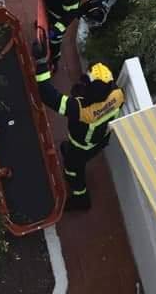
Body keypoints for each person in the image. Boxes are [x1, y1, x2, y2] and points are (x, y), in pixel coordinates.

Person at [33, 49, 124, 211]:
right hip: (100, 141)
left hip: (81, 148)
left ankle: (81, 199)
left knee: (72, 172)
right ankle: (69, 152)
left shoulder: (81, 110)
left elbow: (47, 94)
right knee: (71, 153)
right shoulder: (117, 95)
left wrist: (40, 63)